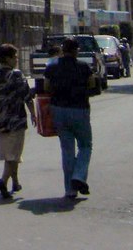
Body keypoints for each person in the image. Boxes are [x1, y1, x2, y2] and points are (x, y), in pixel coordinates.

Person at [0, 43, 37, 198]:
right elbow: (27, 97)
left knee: (9, 153)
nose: (17, 60)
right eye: (15, 57)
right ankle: (3, 181)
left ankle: (15, 182)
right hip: (16, 120)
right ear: (7, 58)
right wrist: (33, 114)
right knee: (13, 155)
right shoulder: (17, 75)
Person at [44, 37, 94, 199]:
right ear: (76, 50)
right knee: (85, 145)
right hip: (80, 109)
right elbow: (92, 84)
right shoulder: (83, 66)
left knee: (67, 149)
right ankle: (78, 176)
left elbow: (46, 87)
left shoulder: (52, 67)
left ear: (62, 50)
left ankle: (69, 189)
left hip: (58, 110)